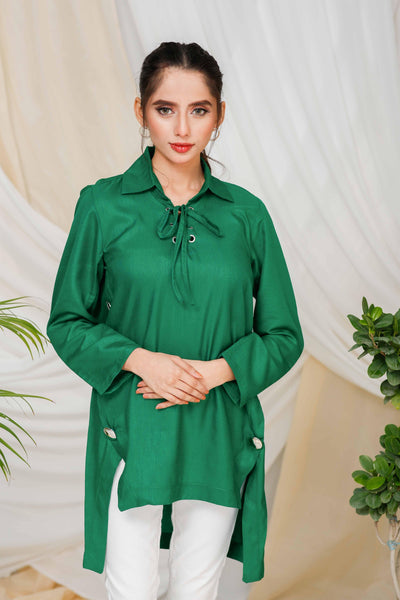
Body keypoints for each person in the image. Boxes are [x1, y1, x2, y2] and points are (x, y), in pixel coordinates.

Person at [47, 41, 304, 600]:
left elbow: (285, 335)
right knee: (130, 589)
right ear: (140, 111)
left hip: (218, 423)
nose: (182, 128)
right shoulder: (103, 205)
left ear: (220, 114)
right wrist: (144, 362)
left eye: (199, 110)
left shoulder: (247, 215)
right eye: (165, 109)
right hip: (131, 424)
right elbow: (66, 321)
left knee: (197, 589)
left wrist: (214, 373)